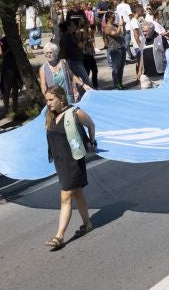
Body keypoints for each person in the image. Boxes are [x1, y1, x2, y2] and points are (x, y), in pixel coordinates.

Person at [43, 85, 95, 250]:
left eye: (51, 100)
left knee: (66, 197)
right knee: (78, 194)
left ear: (61, 98)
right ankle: (87, 224)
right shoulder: (50, 116)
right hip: (61, 163)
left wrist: (91, 142)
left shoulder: (75, 113)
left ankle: (59, 236)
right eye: (47, 100)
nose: (48, 104)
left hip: (73, 162)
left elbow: (91, 125)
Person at [103, 12, 126, 89]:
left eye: (114, 17)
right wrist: (120, 25)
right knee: (116, 67)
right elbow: (115, 34)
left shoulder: (115, 25)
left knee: (121, 67)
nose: (114, 18)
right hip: (114, 49)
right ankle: (116, 85)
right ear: (108, 18)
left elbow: (124, 34)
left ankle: (120, 83)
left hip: (121, 47)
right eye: (113, 17)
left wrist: (124, 26)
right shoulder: (107, 27)